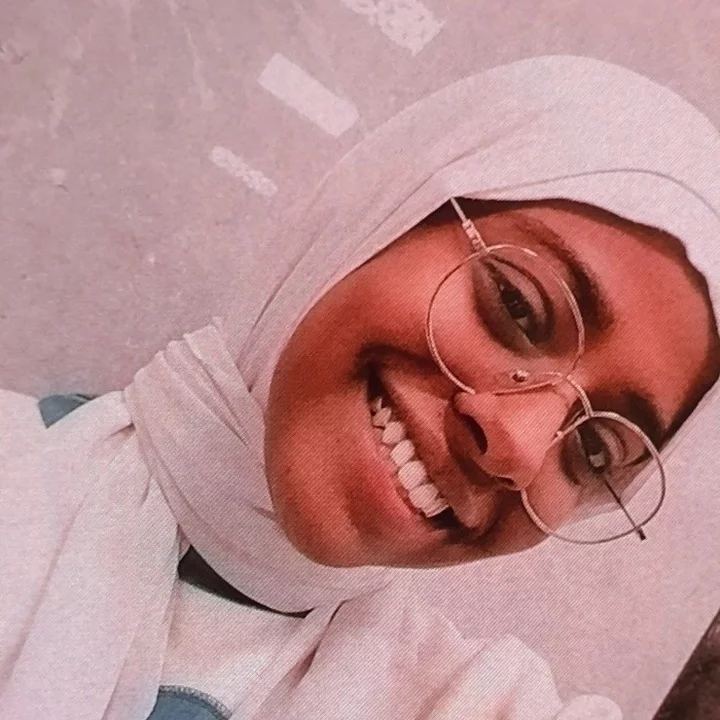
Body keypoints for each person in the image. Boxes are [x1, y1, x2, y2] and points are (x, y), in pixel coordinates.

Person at [1, 55, 718, 719]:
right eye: (518, 307)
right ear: (379, 214)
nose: (521, 448)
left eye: (595, 451)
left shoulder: (462, 702)